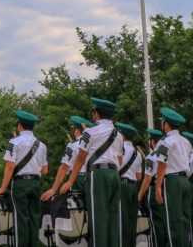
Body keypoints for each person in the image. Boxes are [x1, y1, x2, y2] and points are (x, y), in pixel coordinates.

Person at [60, 98, 123, 247]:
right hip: (115, 175)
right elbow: (120, 160)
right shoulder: (118, 134)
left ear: (96, 114)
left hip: (98, 175)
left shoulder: (89, 131)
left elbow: (81, 158)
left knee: (98, 218)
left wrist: (70, 181)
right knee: (113, 218)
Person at [0, 109, 49, 247]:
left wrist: (2, 188)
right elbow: (45, 170)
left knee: (20, 219)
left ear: (19, 126)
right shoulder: (42, 146)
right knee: (34, 220)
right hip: (35, 184)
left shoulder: (14, 142)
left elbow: (9, 167)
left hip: (20, 184)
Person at [153, 106, 193, 247]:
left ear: (166, 124)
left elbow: (162, 164)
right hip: (185, 181)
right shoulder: (186, 141)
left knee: (173, 221)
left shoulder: (165, 141)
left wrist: (158, 186)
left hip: (172, 181)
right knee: (184, 220)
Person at [40, 115, 93, 201]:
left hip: (77, 179)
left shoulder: (72, 144)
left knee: (75, 209)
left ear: (76, 131)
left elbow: (64, 168)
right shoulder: (94, 143)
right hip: (91, 178)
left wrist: (54, 189)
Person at [137, 128, 165, 247]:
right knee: (166, 221)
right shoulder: (168, 153)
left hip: (155, 189)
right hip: (167, 188)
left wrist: (139, 196)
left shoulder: (151, 157)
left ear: (153, 142)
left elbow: (147, 179)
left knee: (156, 223)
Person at [116, 122, 142, 247]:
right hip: (133, 187)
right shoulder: (137, 153)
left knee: (121, 220)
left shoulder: (120, 149)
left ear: (122, 135)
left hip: (121, 186)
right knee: (131, 220)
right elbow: (139, 176)